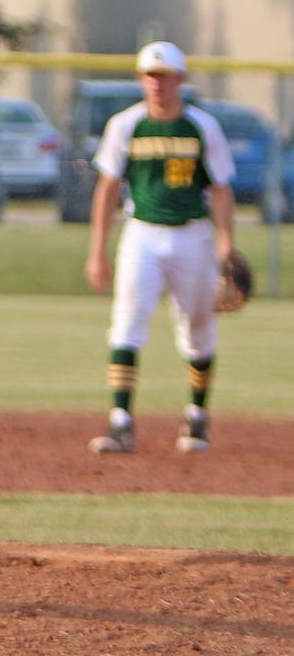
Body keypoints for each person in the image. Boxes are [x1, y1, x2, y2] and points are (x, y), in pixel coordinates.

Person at [84, 40, 235, 455]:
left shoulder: (202, 126)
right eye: (150, 75)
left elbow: (221, 189)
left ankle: (197, 418)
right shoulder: (126, 125)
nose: (157, 84)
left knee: (198, 327)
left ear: (181, 80)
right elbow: (108, 188)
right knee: (126, 325)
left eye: (165, 76)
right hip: (142, 233)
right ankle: (121, 423)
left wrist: (225, 246)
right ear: (140, 79)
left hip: (194, 235)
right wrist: (97, 249)